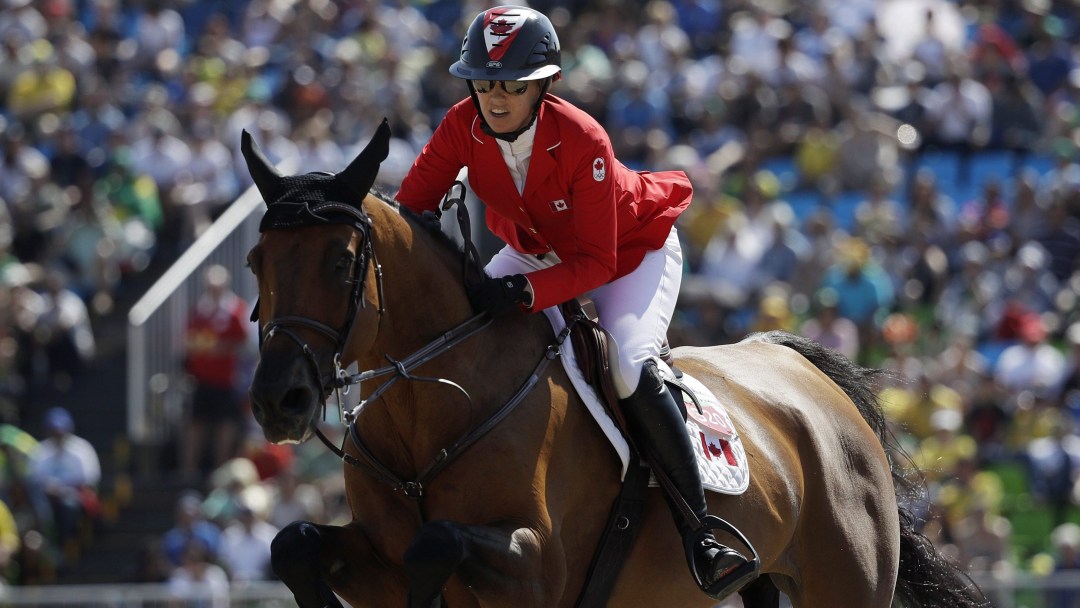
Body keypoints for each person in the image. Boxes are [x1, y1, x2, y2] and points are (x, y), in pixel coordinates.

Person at [394, 6, 751, 595]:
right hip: (539, 249)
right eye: (484, 83)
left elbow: (595, 264)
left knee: (628, 363)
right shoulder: (463, 123)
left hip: (632, 252)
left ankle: (701, 531)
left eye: (513, 86)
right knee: (471, 332)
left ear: (545, 86)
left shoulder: (582, 137)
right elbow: (412, 209)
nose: (496, 98)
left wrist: (524, 291)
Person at [180, 265, 252, 480]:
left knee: (225, 426)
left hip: (227, 379)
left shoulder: (235, 309)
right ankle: (188, 472)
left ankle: (219, 473)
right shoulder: (200, 309)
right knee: (196, 424)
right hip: (202, 378)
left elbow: (243, 342)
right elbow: (189, 337)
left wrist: (221, 348)